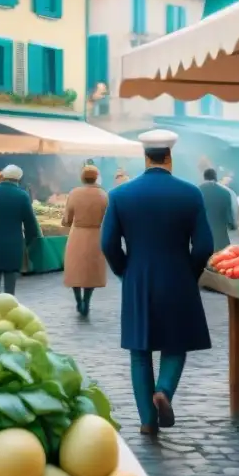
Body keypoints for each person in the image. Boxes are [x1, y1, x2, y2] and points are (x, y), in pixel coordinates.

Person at [101, 130, 213, 435]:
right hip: (178, 276)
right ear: (170, 157)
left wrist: (125, 270)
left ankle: (148, 421)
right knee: (175, 344)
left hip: (138, 276)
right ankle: (164, 389)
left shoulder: (120, 195)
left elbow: (108, 243)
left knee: (140, 350)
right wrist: (189, 272)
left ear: (145, 156)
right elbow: (204, 246)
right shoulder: (191, 194)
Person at [0, 164, 41, 297]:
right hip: (14, 247)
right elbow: (31, 225)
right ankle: (8, 312)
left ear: (2, 176)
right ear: (18, 179)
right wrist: (27, 244)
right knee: (10, 290)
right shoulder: (22, 196)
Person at [63, 165, 109, 316]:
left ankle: (78, 300)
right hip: (96, 235)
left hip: (77, 234)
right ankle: (87, 301)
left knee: (75, 269)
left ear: (82, 177)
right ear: (97, 177)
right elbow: (108, 218)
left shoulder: (75, 193)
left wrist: (68, 223)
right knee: (91, 270)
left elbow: (67, 218)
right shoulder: (103, 195)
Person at [199, 168, 236, 251]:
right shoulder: (225, 193)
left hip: (202, 239)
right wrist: (232, 225)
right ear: (216, 177)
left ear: (204, 177)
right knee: (222, 261)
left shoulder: (196, 192)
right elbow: (229, 218)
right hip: (221, 240)